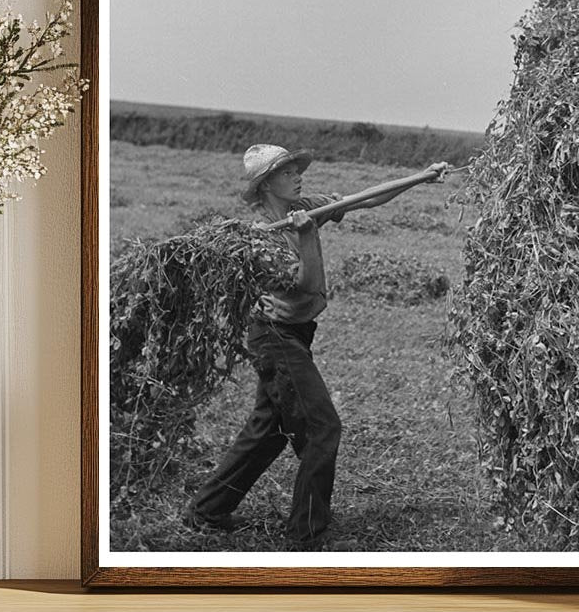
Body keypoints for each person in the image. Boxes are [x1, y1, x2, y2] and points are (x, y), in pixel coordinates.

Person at [188, 143, 449, 551]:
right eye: (288, 172)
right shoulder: (260, 238)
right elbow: (306, 284)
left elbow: (367, 198)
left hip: (296, 333)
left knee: (269, 430)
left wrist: (422, 176)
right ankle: (306, 534)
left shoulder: (307, 206)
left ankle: (207, 509)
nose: (298, 176)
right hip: (274, 337)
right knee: (324, 428)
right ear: (267, 184)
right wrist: (307, 233)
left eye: (296, 169)